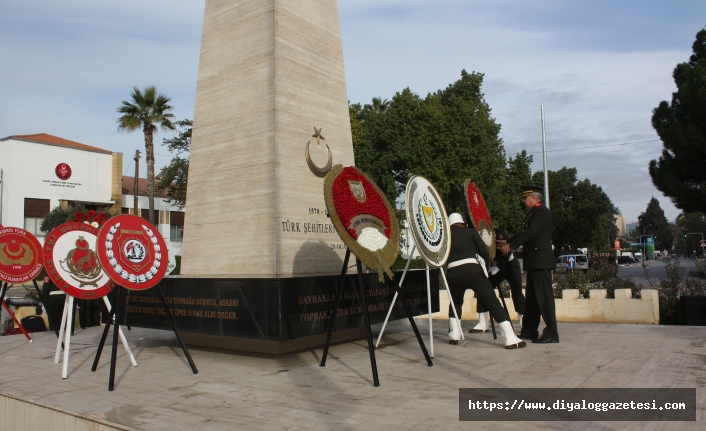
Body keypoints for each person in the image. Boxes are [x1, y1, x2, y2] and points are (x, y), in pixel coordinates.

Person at [445, 213, 525, 349]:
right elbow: (483, 252)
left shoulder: (446, 237)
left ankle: (454, 334)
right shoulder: (470, 232)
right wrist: (486, 270)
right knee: (492, 302)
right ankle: (510, 337)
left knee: (455, 302)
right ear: (462, 223)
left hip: (453, 273)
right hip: (473, 271)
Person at [498, 186, 558, 343]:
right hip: (534, 261)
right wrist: (508, 241)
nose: (524, 201)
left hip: (541, 261)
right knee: (532, 299)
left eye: (525, 198)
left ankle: (551, 333)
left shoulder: (542, 212)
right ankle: (529, 330)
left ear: (533, 198)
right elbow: (525, 232)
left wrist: (510, 246)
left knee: (544, 298)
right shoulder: (533, 213)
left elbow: (530, 233)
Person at [470, 227, 526, 333]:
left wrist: (499, 267)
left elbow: (506, 250)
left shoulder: (497, 233)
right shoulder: (476, 236)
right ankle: (483, 323)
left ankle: (524, 322)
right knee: (483, 288)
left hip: (509, 265)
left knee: (517, 292)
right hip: (495, 267)